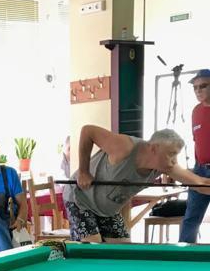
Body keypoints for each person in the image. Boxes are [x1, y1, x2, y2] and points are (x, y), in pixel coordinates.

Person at [69, 126, 207, 242]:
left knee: (124, 252)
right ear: (154, 148)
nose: (174, 161)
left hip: (107, 210)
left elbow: (200, 183)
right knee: (93, 247)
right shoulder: (125, 146)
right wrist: (83, 171)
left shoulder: (166, 166)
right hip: (80, 198)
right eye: (171, 154)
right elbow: (88, 131)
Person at [178, 69, 210, 243]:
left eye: (203, 86)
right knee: (191, 218)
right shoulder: (196, 111)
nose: (198, 91)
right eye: (195, 87)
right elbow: (197, 141)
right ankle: (183, 255)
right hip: (199, 170)